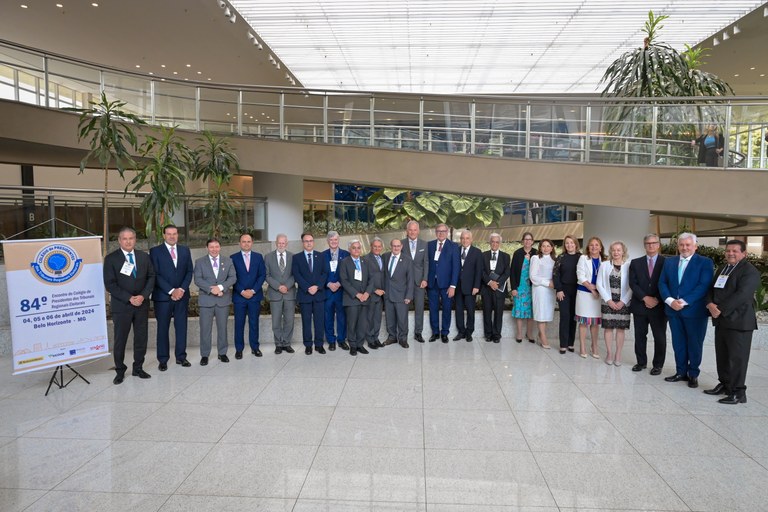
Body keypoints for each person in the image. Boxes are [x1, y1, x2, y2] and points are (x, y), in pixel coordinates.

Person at [705, 240, 761, 404]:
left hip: (739, 322)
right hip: (722, 321)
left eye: (735, 251)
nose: (730, 253)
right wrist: (709, 304)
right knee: (722, 355)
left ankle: (738, 392)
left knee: (737, 358)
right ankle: (725, 385)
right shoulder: (723, 268)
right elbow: (710, 289)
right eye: (728, 250)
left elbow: (742, 295)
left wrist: (719, 308)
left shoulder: (750, 271)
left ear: (744, 253)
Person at [659, 232, 715, 389]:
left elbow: (703, 286)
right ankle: (680, 372)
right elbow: (662, 283)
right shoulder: (669, 262)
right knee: (678, 343)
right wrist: (670, 301)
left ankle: (693, 374)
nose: (684, 248)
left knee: (694, 343)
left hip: (694, 311)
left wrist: (683, 302)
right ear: (678, 246)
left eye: (688, 245)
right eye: (682, 245)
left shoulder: (705, 262)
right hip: (673, 310)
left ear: (695, 246)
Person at [103, 227, 155, 385]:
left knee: (141, 338)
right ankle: (120, 370)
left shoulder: (143, 256)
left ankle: (138, 368)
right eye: (124, 238)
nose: (128, 241)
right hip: (122, 306)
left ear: (135, 240)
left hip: (141, 304)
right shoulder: (111, 258)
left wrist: (143, 296)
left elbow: (152, 276)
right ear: (119, 240)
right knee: (120, 340)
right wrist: (129, 298)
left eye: (131, 238)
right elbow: (110, 284)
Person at [149, 224, 193, 371]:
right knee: (162, 329)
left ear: (177, 235)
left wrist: (180, 289)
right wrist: (171, 290)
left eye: (174, 233)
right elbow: (155, 274)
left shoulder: (185, 250)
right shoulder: (155, 252)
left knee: (181, 327)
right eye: (169, 234)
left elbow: (189, 272)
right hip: (163, 297)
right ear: (164, 235)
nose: (172, 236)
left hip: (182, 296)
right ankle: (163, 359)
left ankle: (181, 357)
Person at [194, 238, 237, 366]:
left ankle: (222, 353)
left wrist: (221, 288)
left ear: (220, 247)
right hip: (206, 300)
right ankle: (205, 355)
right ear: (207, 248)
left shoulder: (228, 261)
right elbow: (197, 279)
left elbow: (233, 277)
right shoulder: (200, 262)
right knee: (205, 329)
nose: (214, 249)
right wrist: (211, 289)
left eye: (216, 246)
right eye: (211, 247)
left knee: (223, 328)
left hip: (222, 300)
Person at [628, 234, 666, 375]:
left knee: (659, 337)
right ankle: (641, 362)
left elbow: (668, 283)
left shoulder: (666, 262)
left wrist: (655, 299)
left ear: (658, 245)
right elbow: (633, 283)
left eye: (654, 243)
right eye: (648, 243)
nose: (651, 245)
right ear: (644, 245)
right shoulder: (635, 263)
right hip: (640, 305)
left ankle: (658, 365)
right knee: (639, 336)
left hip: (659, 306)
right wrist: (645, 298)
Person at [231, 232, 266, 359]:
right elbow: (232, 277)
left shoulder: (258, 257)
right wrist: (242, 291)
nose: (246, 244)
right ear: (239, 243)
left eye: (248, 241)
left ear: (252, 243)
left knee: (254, 323)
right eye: (243, 241)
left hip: (254, 296)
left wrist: (253, 290)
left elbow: (262, 275)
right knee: (239, 324)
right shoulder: (233, 258)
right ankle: (239, 349)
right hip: (239, 297)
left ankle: (255, 348)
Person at [597, 241, 632, 366]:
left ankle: (618, 354)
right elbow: (599, 284)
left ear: (623, 252)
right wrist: (608, 300)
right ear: (610, 252)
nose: (616, 252)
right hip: (608, 302)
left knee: (621, 329)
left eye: (618, 250)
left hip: (624, 303)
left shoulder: (629, 266)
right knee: (608, 328)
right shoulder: (605, 265)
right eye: (613, 250)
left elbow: (632, 286)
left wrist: (623, 301)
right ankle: (609, 353)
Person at [293, 232, 328, 355]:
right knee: (306, 322)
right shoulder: (296, 258)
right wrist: (308, 287)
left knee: (319, 321)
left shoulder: (321, 256)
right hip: (305, 295)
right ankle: (308, 345)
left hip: (319, 295)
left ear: (313, 242)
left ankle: (319, 345)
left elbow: (325, 273)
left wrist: (317, 287)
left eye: (311, 241)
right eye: (306, 241)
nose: (309, 243)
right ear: (302, 243)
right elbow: (297, 275)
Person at [427, 223, 460, 342]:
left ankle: (445, 332)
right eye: (438, 231)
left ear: (447, 232)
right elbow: (426, 264)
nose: (441, 233)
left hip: (447, 285)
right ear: (435, 232)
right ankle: (435, 332)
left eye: (443, 231)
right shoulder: (429, 245)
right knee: (433, 308)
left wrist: (453, 285)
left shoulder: (454, 246)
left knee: (447, 309)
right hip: (432, 283)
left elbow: (456, 267)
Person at [264, 234, 296, 354]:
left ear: (286, 244)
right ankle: (278, 344)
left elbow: (295, 274)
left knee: (289, 320)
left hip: (289, 293)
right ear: (276, 243)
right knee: (276, 321)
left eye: (283, 243)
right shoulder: (268, 257)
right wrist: (278, 286)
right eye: (279, 243)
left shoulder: (293, 257)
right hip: (275, 294)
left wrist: (286, 286)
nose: (281, 245)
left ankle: (287, 343)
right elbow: (267, 275)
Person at [339, 239, 371, 356]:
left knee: (362, 324)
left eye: (358, 247)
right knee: (352, 324)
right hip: (351, 299)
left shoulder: (365, 261)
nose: (356, 250)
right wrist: (357, 294)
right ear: (349, 249)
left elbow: (371, 279)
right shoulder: (344, 262)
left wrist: (367, 293)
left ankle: (360, 345)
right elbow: (344, 281)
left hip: (365, 299)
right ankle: (352, 345)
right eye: (354, 247)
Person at [576, 236, 606, 358]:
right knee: (583, 322)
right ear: (588, 247)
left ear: (600, 248)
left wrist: (597, 291)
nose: (594, 247)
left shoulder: (604, 261)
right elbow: (580, 276)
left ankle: (594, 346)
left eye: (596, 245)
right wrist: (591, 288)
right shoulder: (583, 258)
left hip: (598, 295)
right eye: (591, 245)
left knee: (595, 322)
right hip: (584, 294)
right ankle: (582, 346)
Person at [401, 220, 429, 343]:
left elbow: (426, 263)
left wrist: (425, 279)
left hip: (419, 282)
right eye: (410, 230)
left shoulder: (424, 244)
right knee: (403, 309)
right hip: (404, 282)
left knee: (419, 308)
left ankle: (418, 333)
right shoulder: (400, 244)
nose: (412, 232)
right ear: (407, 231)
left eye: (415, 230)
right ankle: (403, 333)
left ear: (418, 231)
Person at [383, 238, 413, 348]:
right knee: (389, 318)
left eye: (398, 246)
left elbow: (410, 279)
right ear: (391, 246)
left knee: (402, 319)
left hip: (402, 295)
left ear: (401, 247)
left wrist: (408, 295)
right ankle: (392, 337)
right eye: (394, 246)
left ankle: (403, 339)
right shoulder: (385, 257)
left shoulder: (407, 259)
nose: (396, 248)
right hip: (388, 294)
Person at [481, 233, 511, 343]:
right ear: (490, 243)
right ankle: (488, 334)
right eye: (492, 241)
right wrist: (489, 282)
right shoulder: (483, 255)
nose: (494, 244)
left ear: (500, 243)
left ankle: (497, 334)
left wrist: (497, 283)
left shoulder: (506, 256)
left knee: (499, 313)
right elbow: (482, 271)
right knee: (487, 312)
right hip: (486, 288)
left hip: (499, 289)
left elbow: (507, 272)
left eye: (497, 242)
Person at [454, 229, 483, 342]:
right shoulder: (455, 250)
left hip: (471, 287)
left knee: (470, 310)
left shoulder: (477, 252)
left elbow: (479, 271)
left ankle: (469, 332)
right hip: (457, 286)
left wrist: (476, 286)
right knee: (459, 310)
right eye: (462, 238)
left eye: (467, 238)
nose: (464, 240)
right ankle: (461, 332)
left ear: (471, 239)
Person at [553, 235, 580, 354]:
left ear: (576, 244)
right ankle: (563, 344)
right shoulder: (561, 257)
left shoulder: (582, 257)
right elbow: (555, 274)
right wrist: (558, 289)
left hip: (578, 291)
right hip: (563, 291)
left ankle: (570, 343)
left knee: (573, 317)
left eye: (572, 243)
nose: (569, 245)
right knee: (565, 316)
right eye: (567, 243)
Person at [322, 230, 349, 351]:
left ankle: (342, 340)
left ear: (339, 240)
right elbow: (320, 274)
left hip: (341, 291)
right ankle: (331, 340)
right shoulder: (322, 255)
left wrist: (338, 283)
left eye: (336, 239)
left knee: (342, 317)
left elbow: (348, 273)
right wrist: (328, 284)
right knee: (328, 317)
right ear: (328, 241)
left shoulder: (346, 254)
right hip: (327, 292)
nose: (333, 242)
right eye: (331, 240)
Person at [530, 239, 556, 349]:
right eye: (543, 246)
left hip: (551, 290)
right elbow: (533, 276)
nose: (546, 248)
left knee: (547, 313)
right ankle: (543, 337)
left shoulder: (555, 259)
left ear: (552, 247)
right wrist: (547, 283)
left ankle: (541, 334)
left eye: (548, 246)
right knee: (541, 313)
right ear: (540, 248)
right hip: (540, 289)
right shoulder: (536, 258)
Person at [510, 232, 537, 343]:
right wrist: (513, 288)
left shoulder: (536, 253)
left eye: (529, 239)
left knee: (531, 312)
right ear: (522, 241)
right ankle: (519, 333)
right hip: (520, 287)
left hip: (532, 287)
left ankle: (529, 333)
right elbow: (512, 272)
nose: (527, 241)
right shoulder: (517, 253)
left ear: (532, 241)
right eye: (525, 239)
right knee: (519, 311)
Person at [364, 237, 386, 349]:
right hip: (371, 294)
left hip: (381, 295)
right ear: (371, 247)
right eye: (375, 246)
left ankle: (376, 338)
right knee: (370, 318)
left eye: (379, 246)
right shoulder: (366, 259)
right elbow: (364, 279)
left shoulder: (382, 258)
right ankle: (370, 339)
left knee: (377, 318)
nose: (377, 248)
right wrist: (373, 290)